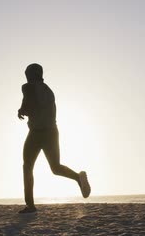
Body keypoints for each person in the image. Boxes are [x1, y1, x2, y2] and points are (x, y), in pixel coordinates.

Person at [17, 63, 91, 214]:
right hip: (51, 132)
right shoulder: (48, 91)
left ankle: (30, 206)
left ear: (31, 75)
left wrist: (22, 110)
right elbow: (35, 106)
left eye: (28, 74)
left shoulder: (28, 88)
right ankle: (78, 177)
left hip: (38, 133)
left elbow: (30, 105)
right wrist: (24, 109)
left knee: (27, 167)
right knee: (55, 167)